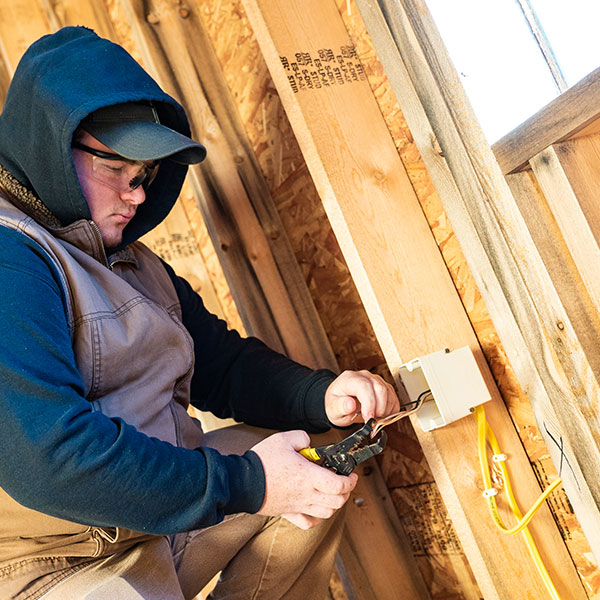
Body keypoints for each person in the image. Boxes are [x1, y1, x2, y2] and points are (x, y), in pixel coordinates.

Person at [0, 27, 399, 599]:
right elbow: (48, 458)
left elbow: (224, 365)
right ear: (51, 149)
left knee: (315, 464)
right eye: (116, 168)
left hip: (148, 531)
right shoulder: (11, 258)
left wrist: (323, 395)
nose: (135, 195)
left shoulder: (129, 262)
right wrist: (251, 484)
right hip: (50, 566)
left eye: (143, 177)